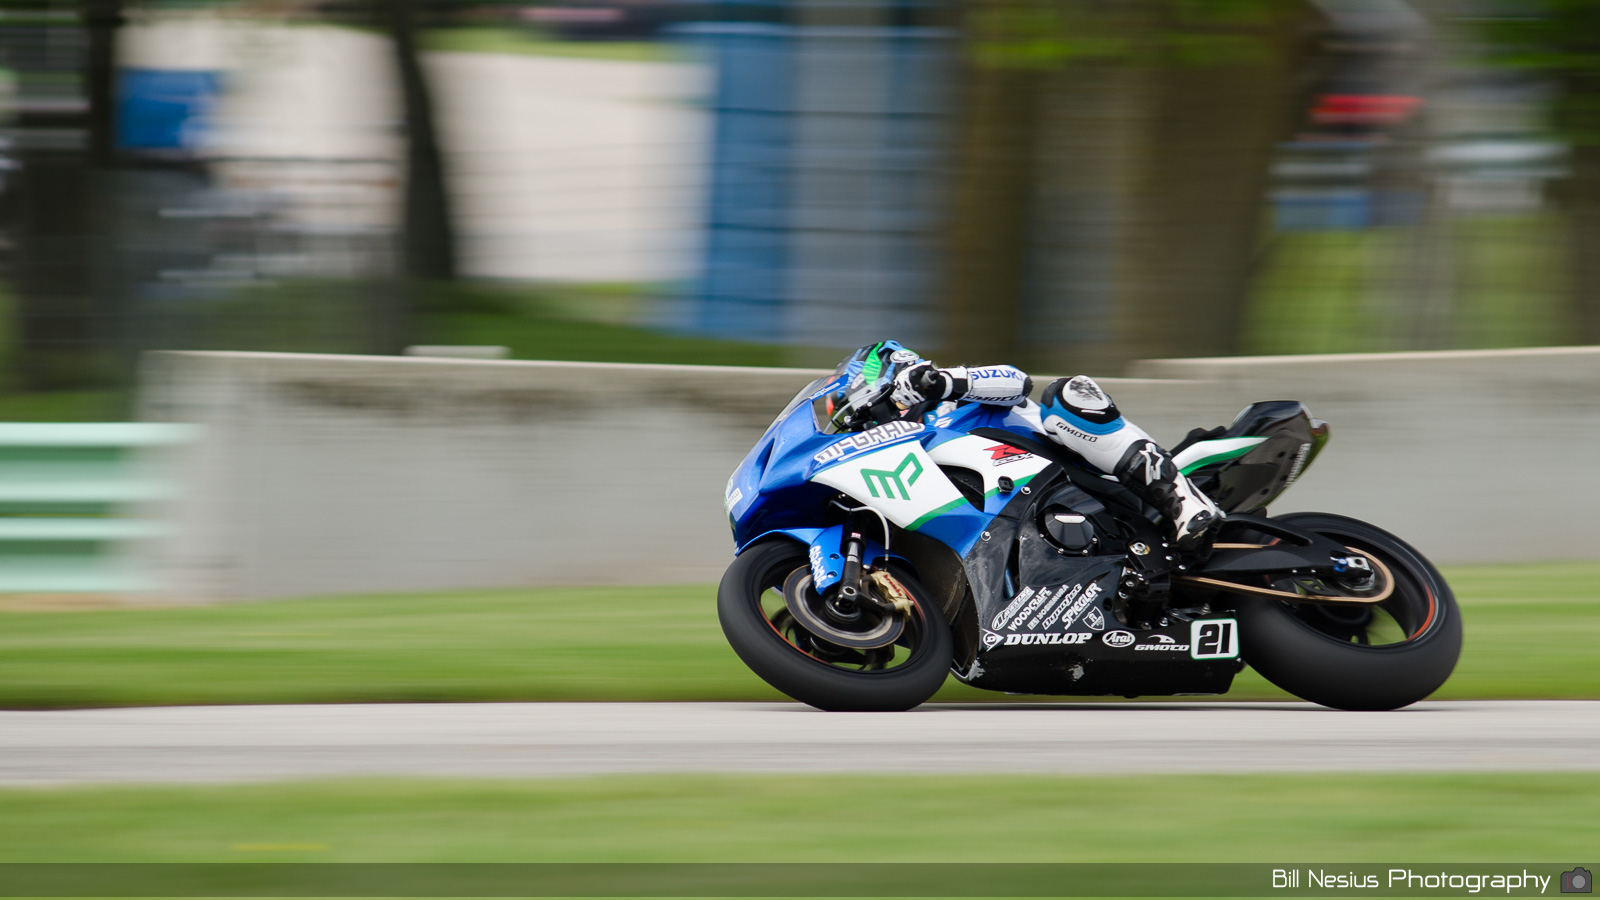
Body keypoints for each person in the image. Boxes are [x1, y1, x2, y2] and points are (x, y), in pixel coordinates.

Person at [839, 340, 1223, 553]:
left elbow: (1017, 381)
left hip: (1085, 476)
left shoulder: (949, 400)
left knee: (1066, 394)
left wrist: (939, 382)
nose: (865, 423)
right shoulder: (904, 461)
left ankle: (1185, 503)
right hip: (1034, 524)